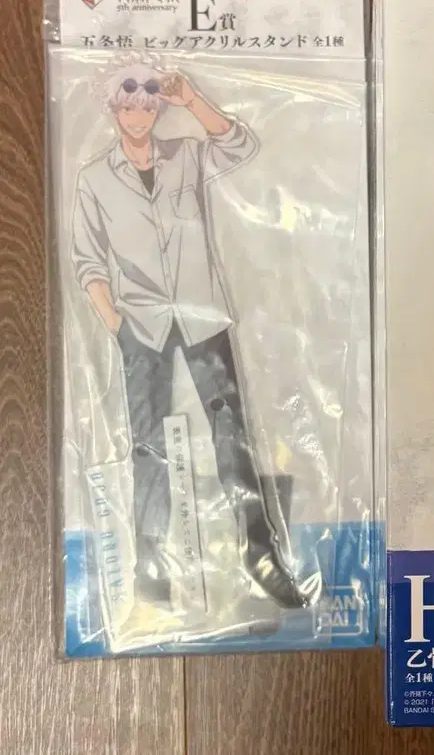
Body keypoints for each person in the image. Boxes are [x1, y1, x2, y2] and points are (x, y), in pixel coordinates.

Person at [72, 55, 307, 620]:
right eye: (128, 103)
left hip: (203, 319)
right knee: (147, 446)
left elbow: (239, 145)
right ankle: (150, 571)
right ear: (113, 108)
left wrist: (192, 99)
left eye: (148, 103)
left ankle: (260, 556)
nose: (139, 112)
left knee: (233, 439)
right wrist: (116, 324)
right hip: (141, 328)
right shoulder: (94, 179)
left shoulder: (186, 155)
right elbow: (88, 261)